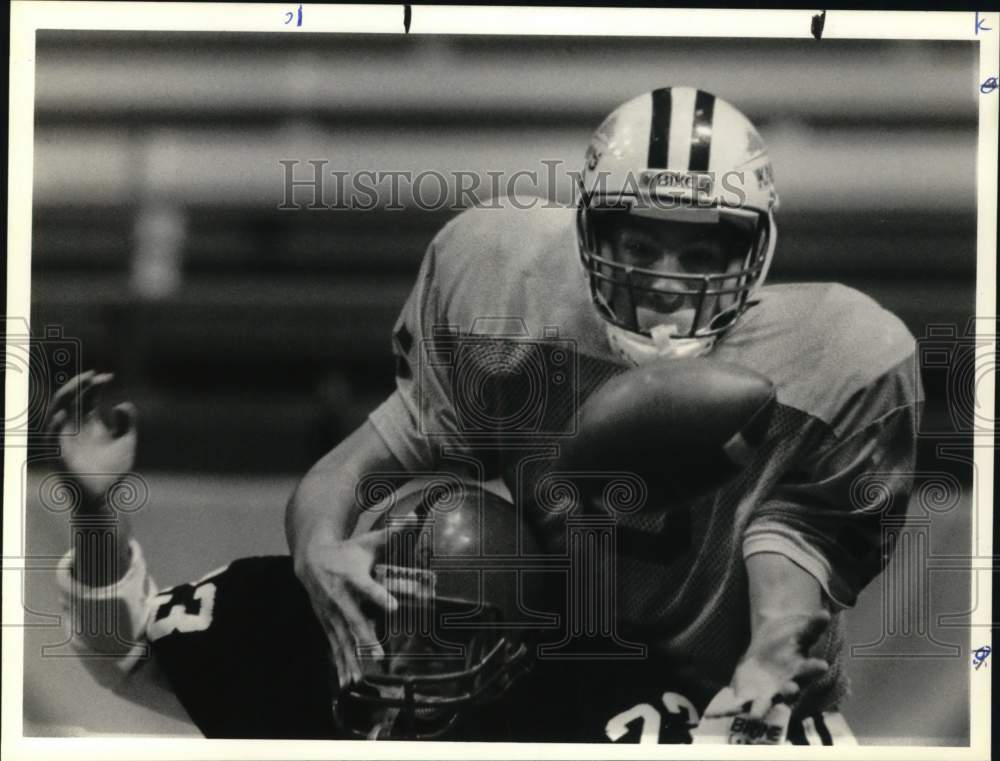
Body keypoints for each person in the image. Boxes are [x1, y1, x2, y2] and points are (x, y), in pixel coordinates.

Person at [286, 86, 923, 743]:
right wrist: (319, 548)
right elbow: (356, 462)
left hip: (720, 690)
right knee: (457, 538)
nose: (668, 284)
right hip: (555, 666)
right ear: (589, 229)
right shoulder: (511, 292)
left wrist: (771, 650)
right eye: (642, 247)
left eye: (702, 256)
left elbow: (792, 545)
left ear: (753, 255)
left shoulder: (833, 355)